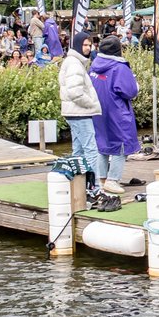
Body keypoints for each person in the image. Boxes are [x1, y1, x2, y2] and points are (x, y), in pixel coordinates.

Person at [89, 36, 140, 197]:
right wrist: (135, 84)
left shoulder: (94, 66)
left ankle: (101, 179)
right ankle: (113, 179)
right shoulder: (119, 67)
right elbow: (130, 91)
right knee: (122, 145)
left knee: (102, 144)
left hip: (98, 110)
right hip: (117, 111)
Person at [59, 31, 103, 198]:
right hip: (80, 113)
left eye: (89, 45)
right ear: (77, 45)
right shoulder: (75, 64)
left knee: (78, 150)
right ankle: (95, 186)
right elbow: (75, 92)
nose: (88, 48)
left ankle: (79, 185)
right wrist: (91, 104)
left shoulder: (73, 62)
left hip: (73, 113)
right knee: (91, 149)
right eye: (84, 45)